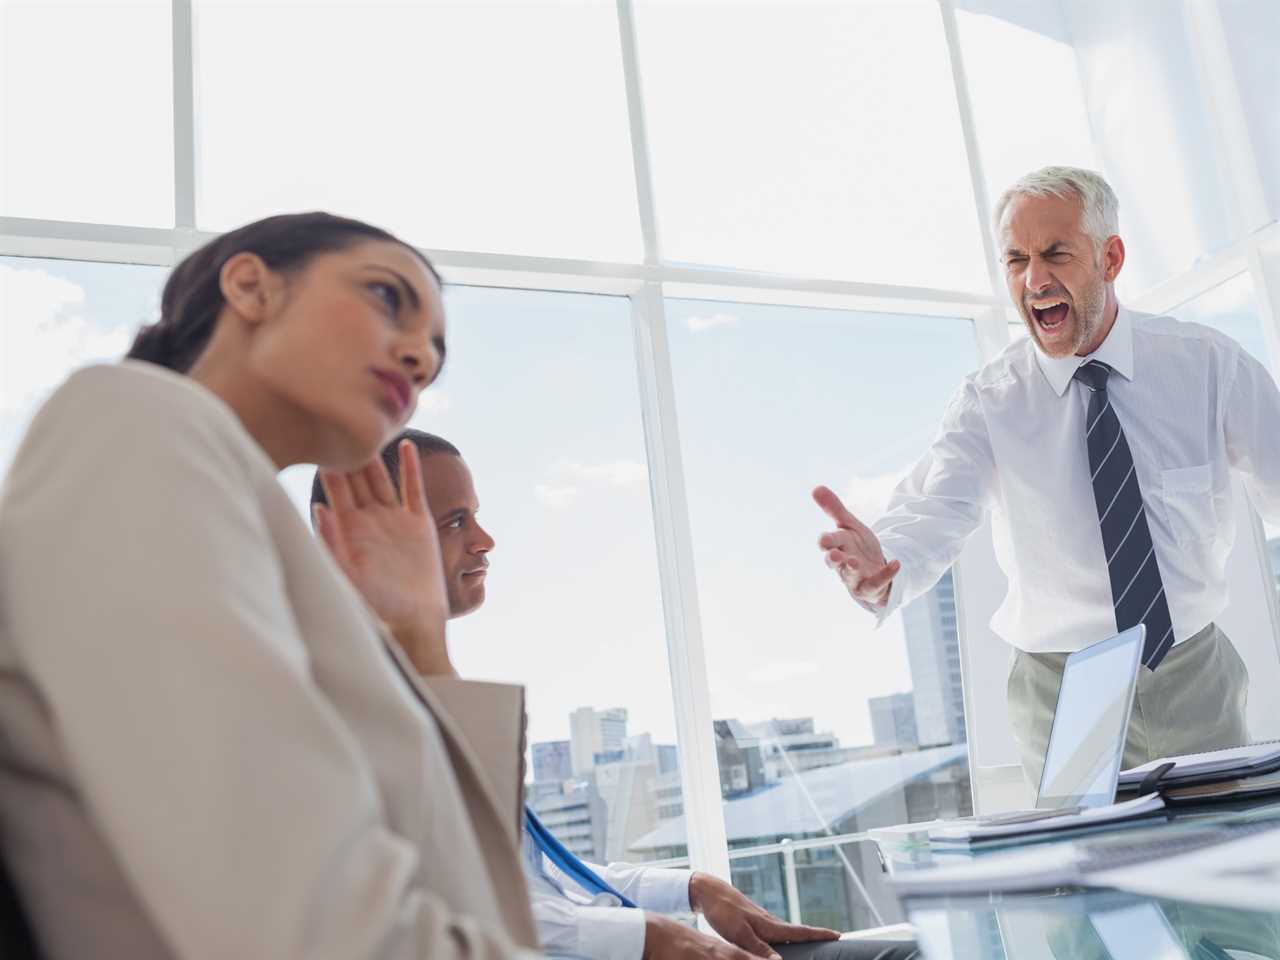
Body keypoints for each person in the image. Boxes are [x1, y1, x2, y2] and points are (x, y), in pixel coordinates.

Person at [0, 213, 542, 960]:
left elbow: (457, 886)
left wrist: (417, 634)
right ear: (251, 286)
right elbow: (310, 927)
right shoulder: (135, 419)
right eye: (388, 298)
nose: (419, 357)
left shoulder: (255, 544)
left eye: (435, 360)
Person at [312, 430, 920, 960]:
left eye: (475, 515)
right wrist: (645, 936)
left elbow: (535, 881)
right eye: (454, 522)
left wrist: (689, 889)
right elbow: (458, 910)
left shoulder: (419, 683)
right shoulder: (333, 707)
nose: (485, 540)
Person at [814, 166, 1280, 785]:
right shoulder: (990, 401)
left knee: (1223, 857)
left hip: (1192, 669)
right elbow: (936, 509)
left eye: (1056, 253)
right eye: (1016, 260)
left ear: (1110, 257)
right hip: (1064, 688)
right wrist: (881, 569)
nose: (1034, 279)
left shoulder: (1209, 367)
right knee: (1090, 874)